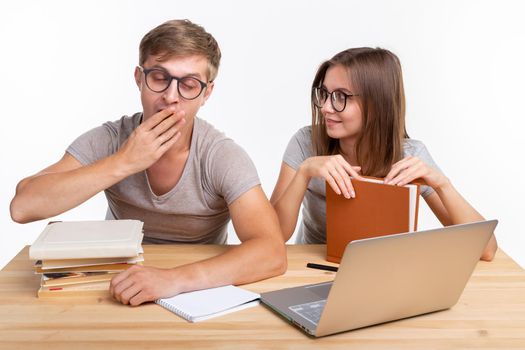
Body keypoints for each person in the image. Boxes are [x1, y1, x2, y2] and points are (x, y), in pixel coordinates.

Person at [10, 19, 286, 305]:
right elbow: (23, 206)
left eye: (189, 85)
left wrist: (172, 280)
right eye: (159, 77)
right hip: (114, 284)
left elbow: (271, 252)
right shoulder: (110, 139)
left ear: (206, 93)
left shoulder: (221, 156)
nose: (170, 97)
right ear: (139, 78)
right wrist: (125, 161)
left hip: (195, 292)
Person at [271, 47, 497, 261]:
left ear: (376, 104)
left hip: (382, 270)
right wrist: (304, 172)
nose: (326, 107)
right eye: (325, 94)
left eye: (341, 96)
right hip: (313, 266)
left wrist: (442, 185)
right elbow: (272, 238)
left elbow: (486, 250)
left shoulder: (409, 155)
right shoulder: (305, 143)